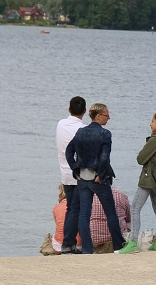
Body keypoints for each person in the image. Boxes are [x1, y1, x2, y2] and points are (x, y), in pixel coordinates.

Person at [65, 103, 124, 255]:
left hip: (83, 178)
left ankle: (86, 249)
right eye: (106, 115)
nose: (109, 118)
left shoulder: (80, 132)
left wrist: (75, 169)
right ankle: (118, 246)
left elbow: (68, 152)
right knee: (110, 212)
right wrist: (100, 174)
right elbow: (104, 157)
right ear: (98, 116)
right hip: (99, 179)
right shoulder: (105, 134)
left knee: (84, 214)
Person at [125, 111, 156, 253]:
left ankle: (133, 242)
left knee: (135, 208)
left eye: (152, 121)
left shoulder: (155, 140)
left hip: (148, 178)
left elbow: (140, 158)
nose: (150, 124)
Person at [55, 96, 86, 254]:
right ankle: (69, 244)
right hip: (79, 173)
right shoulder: (83, 128)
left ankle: (68, 243)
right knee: (77, 210)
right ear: (85, 111)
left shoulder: (60, 124)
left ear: (69, 109)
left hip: (65, 173)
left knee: (70, 208)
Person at [89, 186, 131, 252]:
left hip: (96, 242)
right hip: (117, 241)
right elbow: (129, 217)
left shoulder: (90, 196)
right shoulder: (121, 195)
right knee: (128, 223)